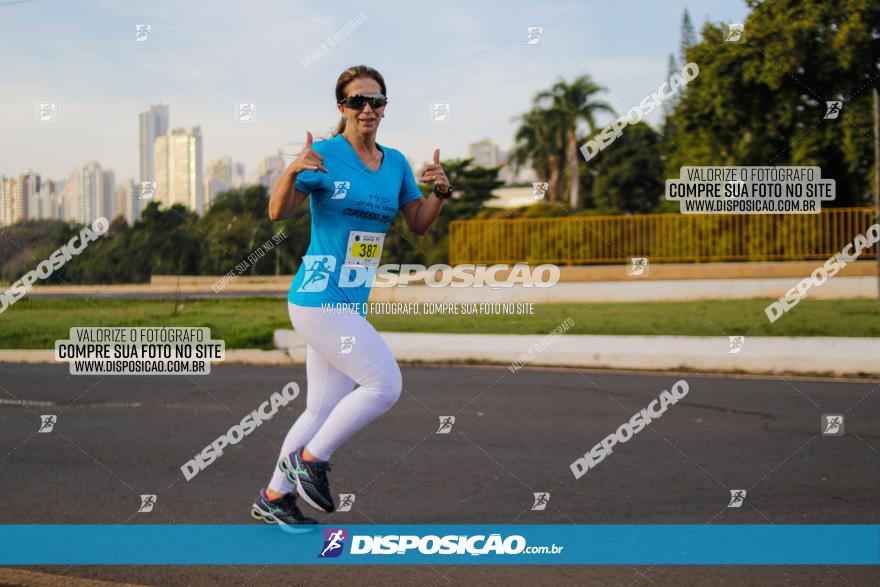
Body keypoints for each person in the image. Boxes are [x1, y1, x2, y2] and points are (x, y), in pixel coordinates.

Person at [251, 65, 452, 527]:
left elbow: (418, 221)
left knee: (321, 408)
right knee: (384, 385)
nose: (368, 109)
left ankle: (274, 497)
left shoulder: (396, 163)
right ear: (341, 108)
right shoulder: (323, 156)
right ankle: (312, 460)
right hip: (317, 299)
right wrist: (291, 169)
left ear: (384, 108)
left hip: (349, 304)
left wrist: (440, 192)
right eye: (358, 101)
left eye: (376, 101)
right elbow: (277, 211)